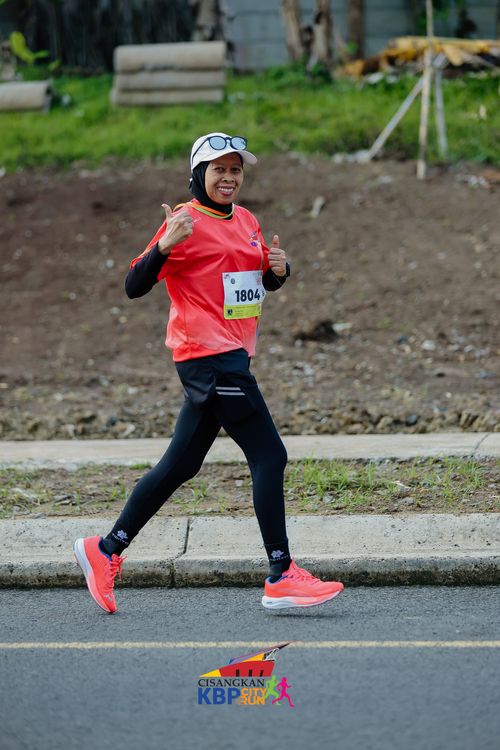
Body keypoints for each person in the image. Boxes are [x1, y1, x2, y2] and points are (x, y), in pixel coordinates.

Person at [73, 132, 344, 613]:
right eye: (219, 169)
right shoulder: (184, 221)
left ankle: (106, 549)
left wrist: (278, 272)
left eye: (236, 170)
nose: (229, 177)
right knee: (270, 455)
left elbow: (250, 284)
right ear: (199, 174)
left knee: (181, 465)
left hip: (231, 355)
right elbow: (134, 284)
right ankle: (281, 574)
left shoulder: (246, 220)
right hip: (209, 357)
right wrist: (164, 245)